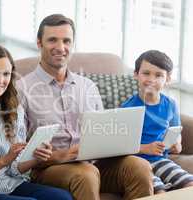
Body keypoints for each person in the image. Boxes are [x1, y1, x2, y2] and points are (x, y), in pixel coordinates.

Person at [16, 14, 154, 200]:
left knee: (140, 167)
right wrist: (61, 155)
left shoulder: (87, 86)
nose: (60, 47)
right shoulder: (22, 89)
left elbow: (103, 132)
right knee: (86, 174)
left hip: (94, 164)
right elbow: (18, 157)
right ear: (39, 43)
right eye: (52, 40)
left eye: (66, 41)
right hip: (49, 169)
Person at [0, 45, 73, 200]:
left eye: (6, 74)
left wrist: (35, 157)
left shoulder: (15, 110)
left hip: (12, 184)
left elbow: (15, 169)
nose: (0, 80)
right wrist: (3, 160)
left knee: (62, 198)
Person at [121, 50, 193, 193]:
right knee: (158, 191)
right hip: (136, 163)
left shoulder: (170, 104)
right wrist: (145, 148)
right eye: (146, 73)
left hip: (161, 160)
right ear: (136, 74)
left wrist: (177, 143)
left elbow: (176, 130)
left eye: (159, 75)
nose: (151, 79)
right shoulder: (128, 108)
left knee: (190, 184)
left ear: (167, 79)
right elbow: (120, 145)